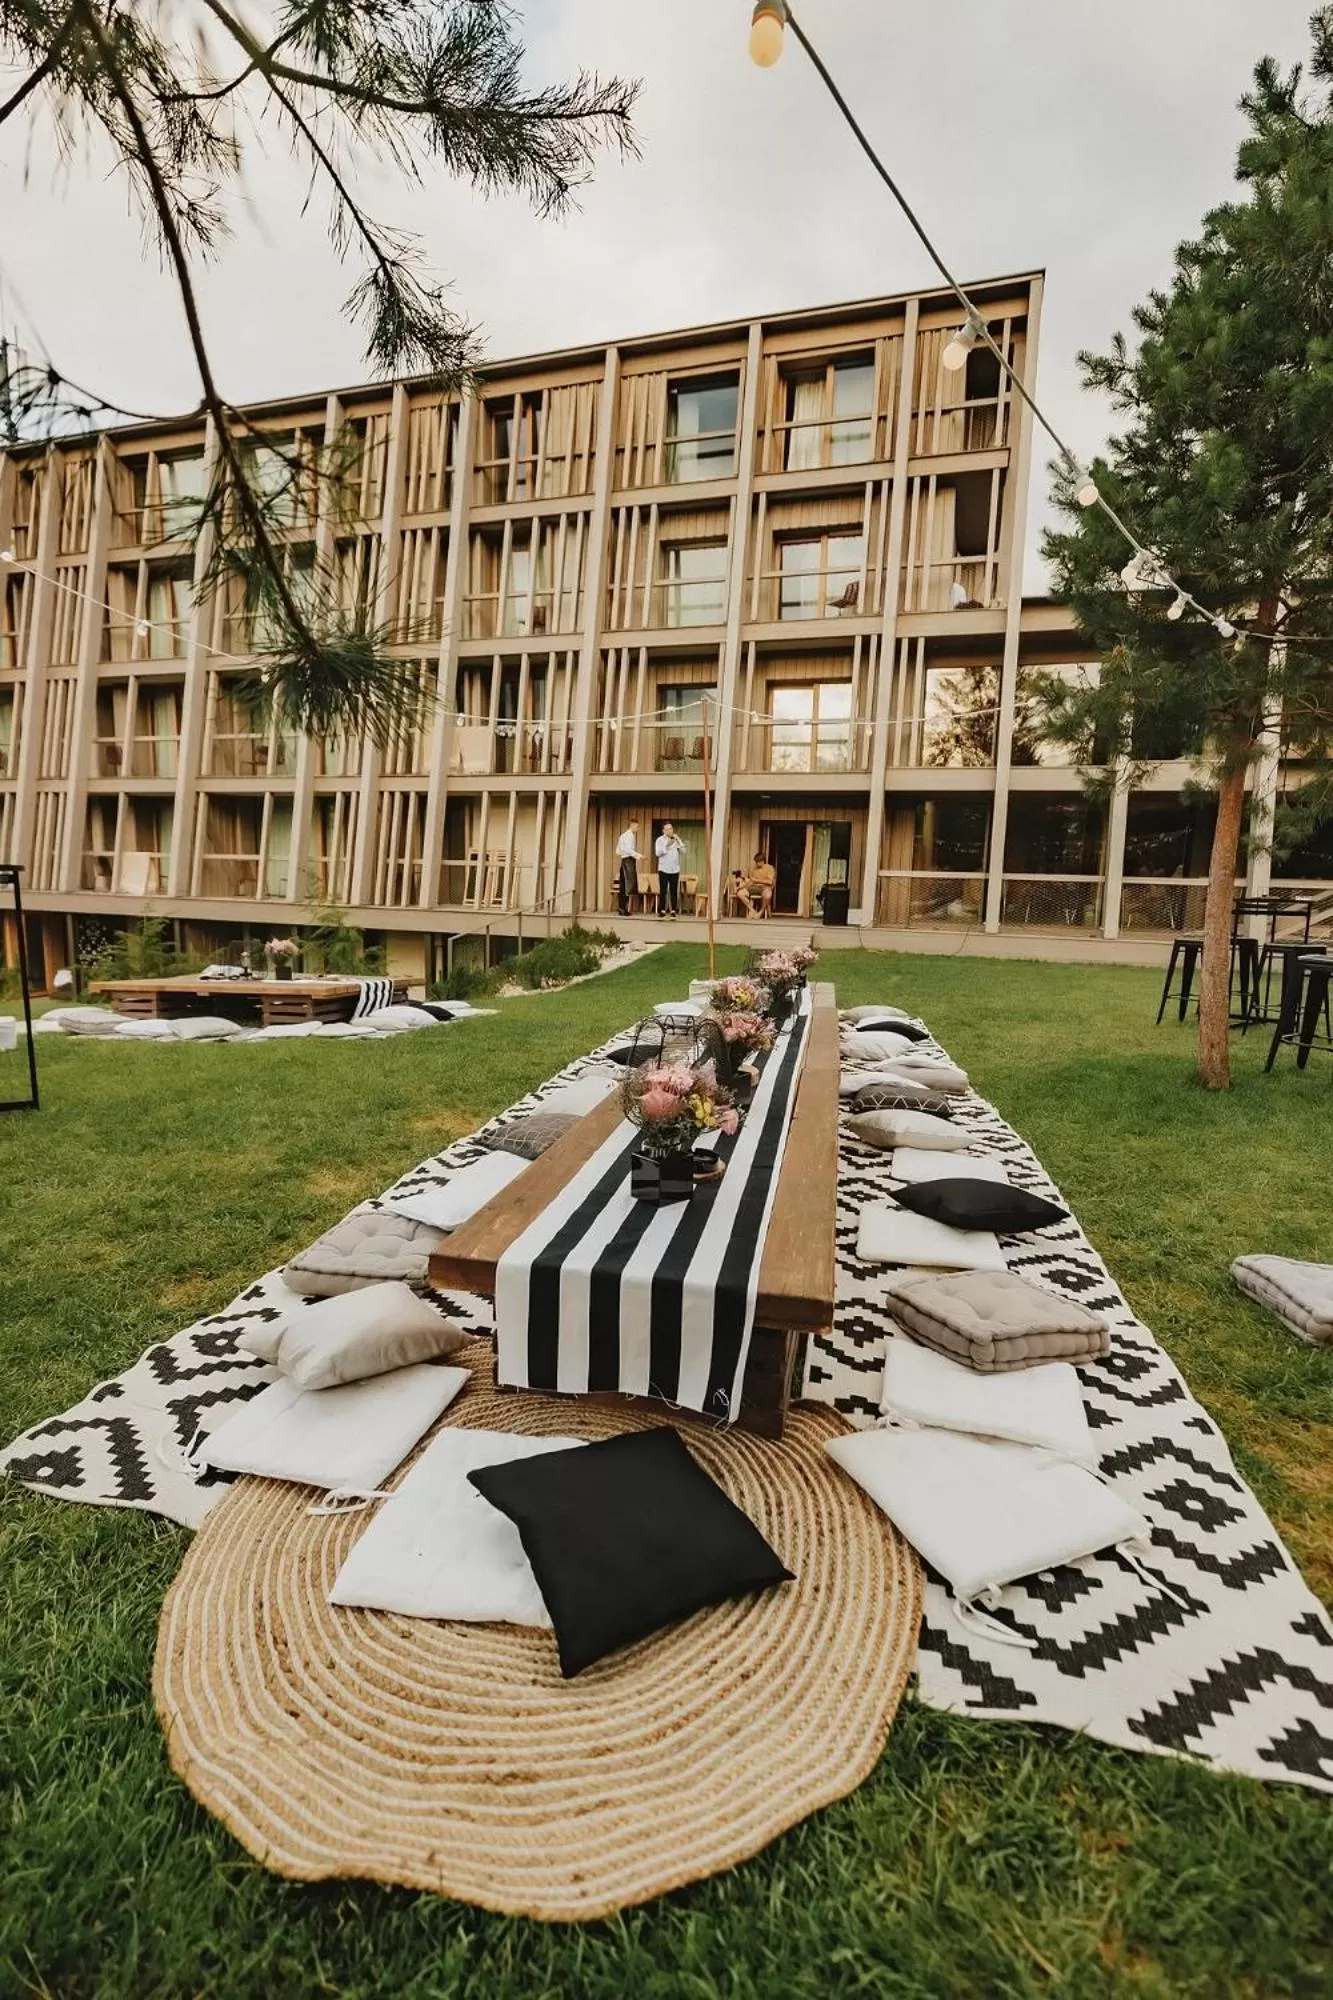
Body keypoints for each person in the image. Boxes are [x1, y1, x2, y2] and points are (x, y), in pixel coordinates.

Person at [655, 822, 685, 917]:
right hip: (663, 868)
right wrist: (667, 845)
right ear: (663, 831)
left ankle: (673, 911)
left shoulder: (676, 840)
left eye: (671, 829)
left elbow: (684, 852)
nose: (669, 831)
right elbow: (657, 853)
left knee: (673, 891)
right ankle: (662, 910)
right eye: (667, 829)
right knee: (663, 891)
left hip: (675, 869)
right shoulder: (660, 840)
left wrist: (679, 840)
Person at [615, 820, 642, 915]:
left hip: (624, 861)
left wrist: (626, 853)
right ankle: (623, 908)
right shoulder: (629, 836)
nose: (638, 829)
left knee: (623, 885)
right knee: (627, 886)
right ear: (632, 825)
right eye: (637, 827)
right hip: (628, 861)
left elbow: (618, 851)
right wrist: (639, 856)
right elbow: (628, 850)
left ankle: (621, 907)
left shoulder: (622, 836)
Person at [745, 850, 776, 919]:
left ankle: (760, 912)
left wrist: (756, 880)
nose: (756, 864)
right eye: (756, 862)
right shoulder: (754, 869)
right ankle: (752, 910)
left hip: (765, 888)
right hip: (754, 887)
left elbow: (770, 882)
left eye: (757, 862)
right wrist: (746, 884)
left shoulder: (769, 868)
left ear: (762, 861)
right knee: (740, 893)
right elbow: (752, 880)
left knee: (768, 895)